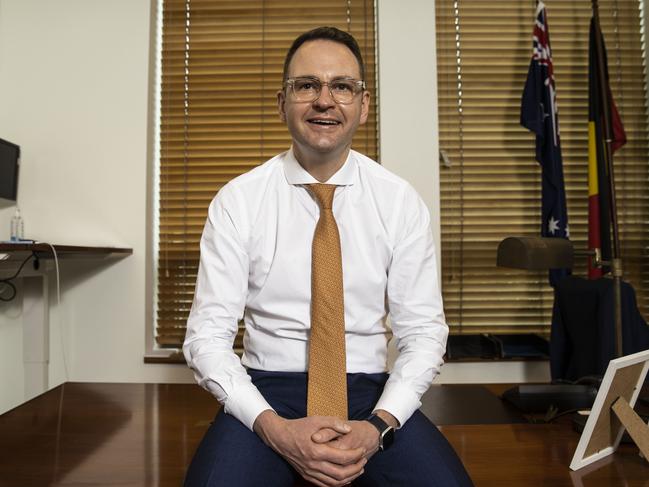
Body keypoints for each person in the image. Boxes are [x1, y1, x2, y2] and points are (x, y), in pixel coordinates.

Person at [183, 26, 473, 487]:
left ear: (363, 104)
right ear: (283, 103)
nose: (324, 100)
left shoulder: (399, 201)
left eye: (342, 86)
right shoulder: (238, 200)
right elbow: (207, 338)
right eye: (307, 85)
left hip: (369, 392)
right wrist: (274, 429)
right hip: (267, 390)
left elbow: (422, 333)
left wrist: (379, 425)